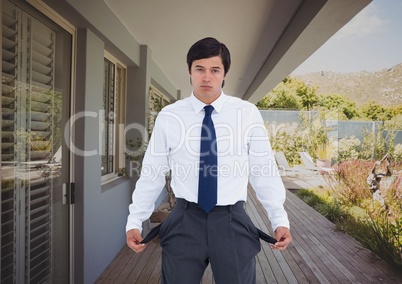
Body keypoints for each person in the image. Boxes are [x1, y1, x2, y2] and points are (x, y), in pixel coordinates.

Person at [126, 37, 291, 284]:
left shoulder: (246, 114)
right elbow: (153, 171)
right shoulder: (170, 116)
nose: (206, 77)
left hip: (232, 221)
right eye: (199, 69)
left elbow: (263, 170)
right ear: (189, 71)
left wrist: (279, 219)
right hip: (185, 219)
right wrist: (135, 220)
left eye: (215, 70)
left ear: (224, 74)